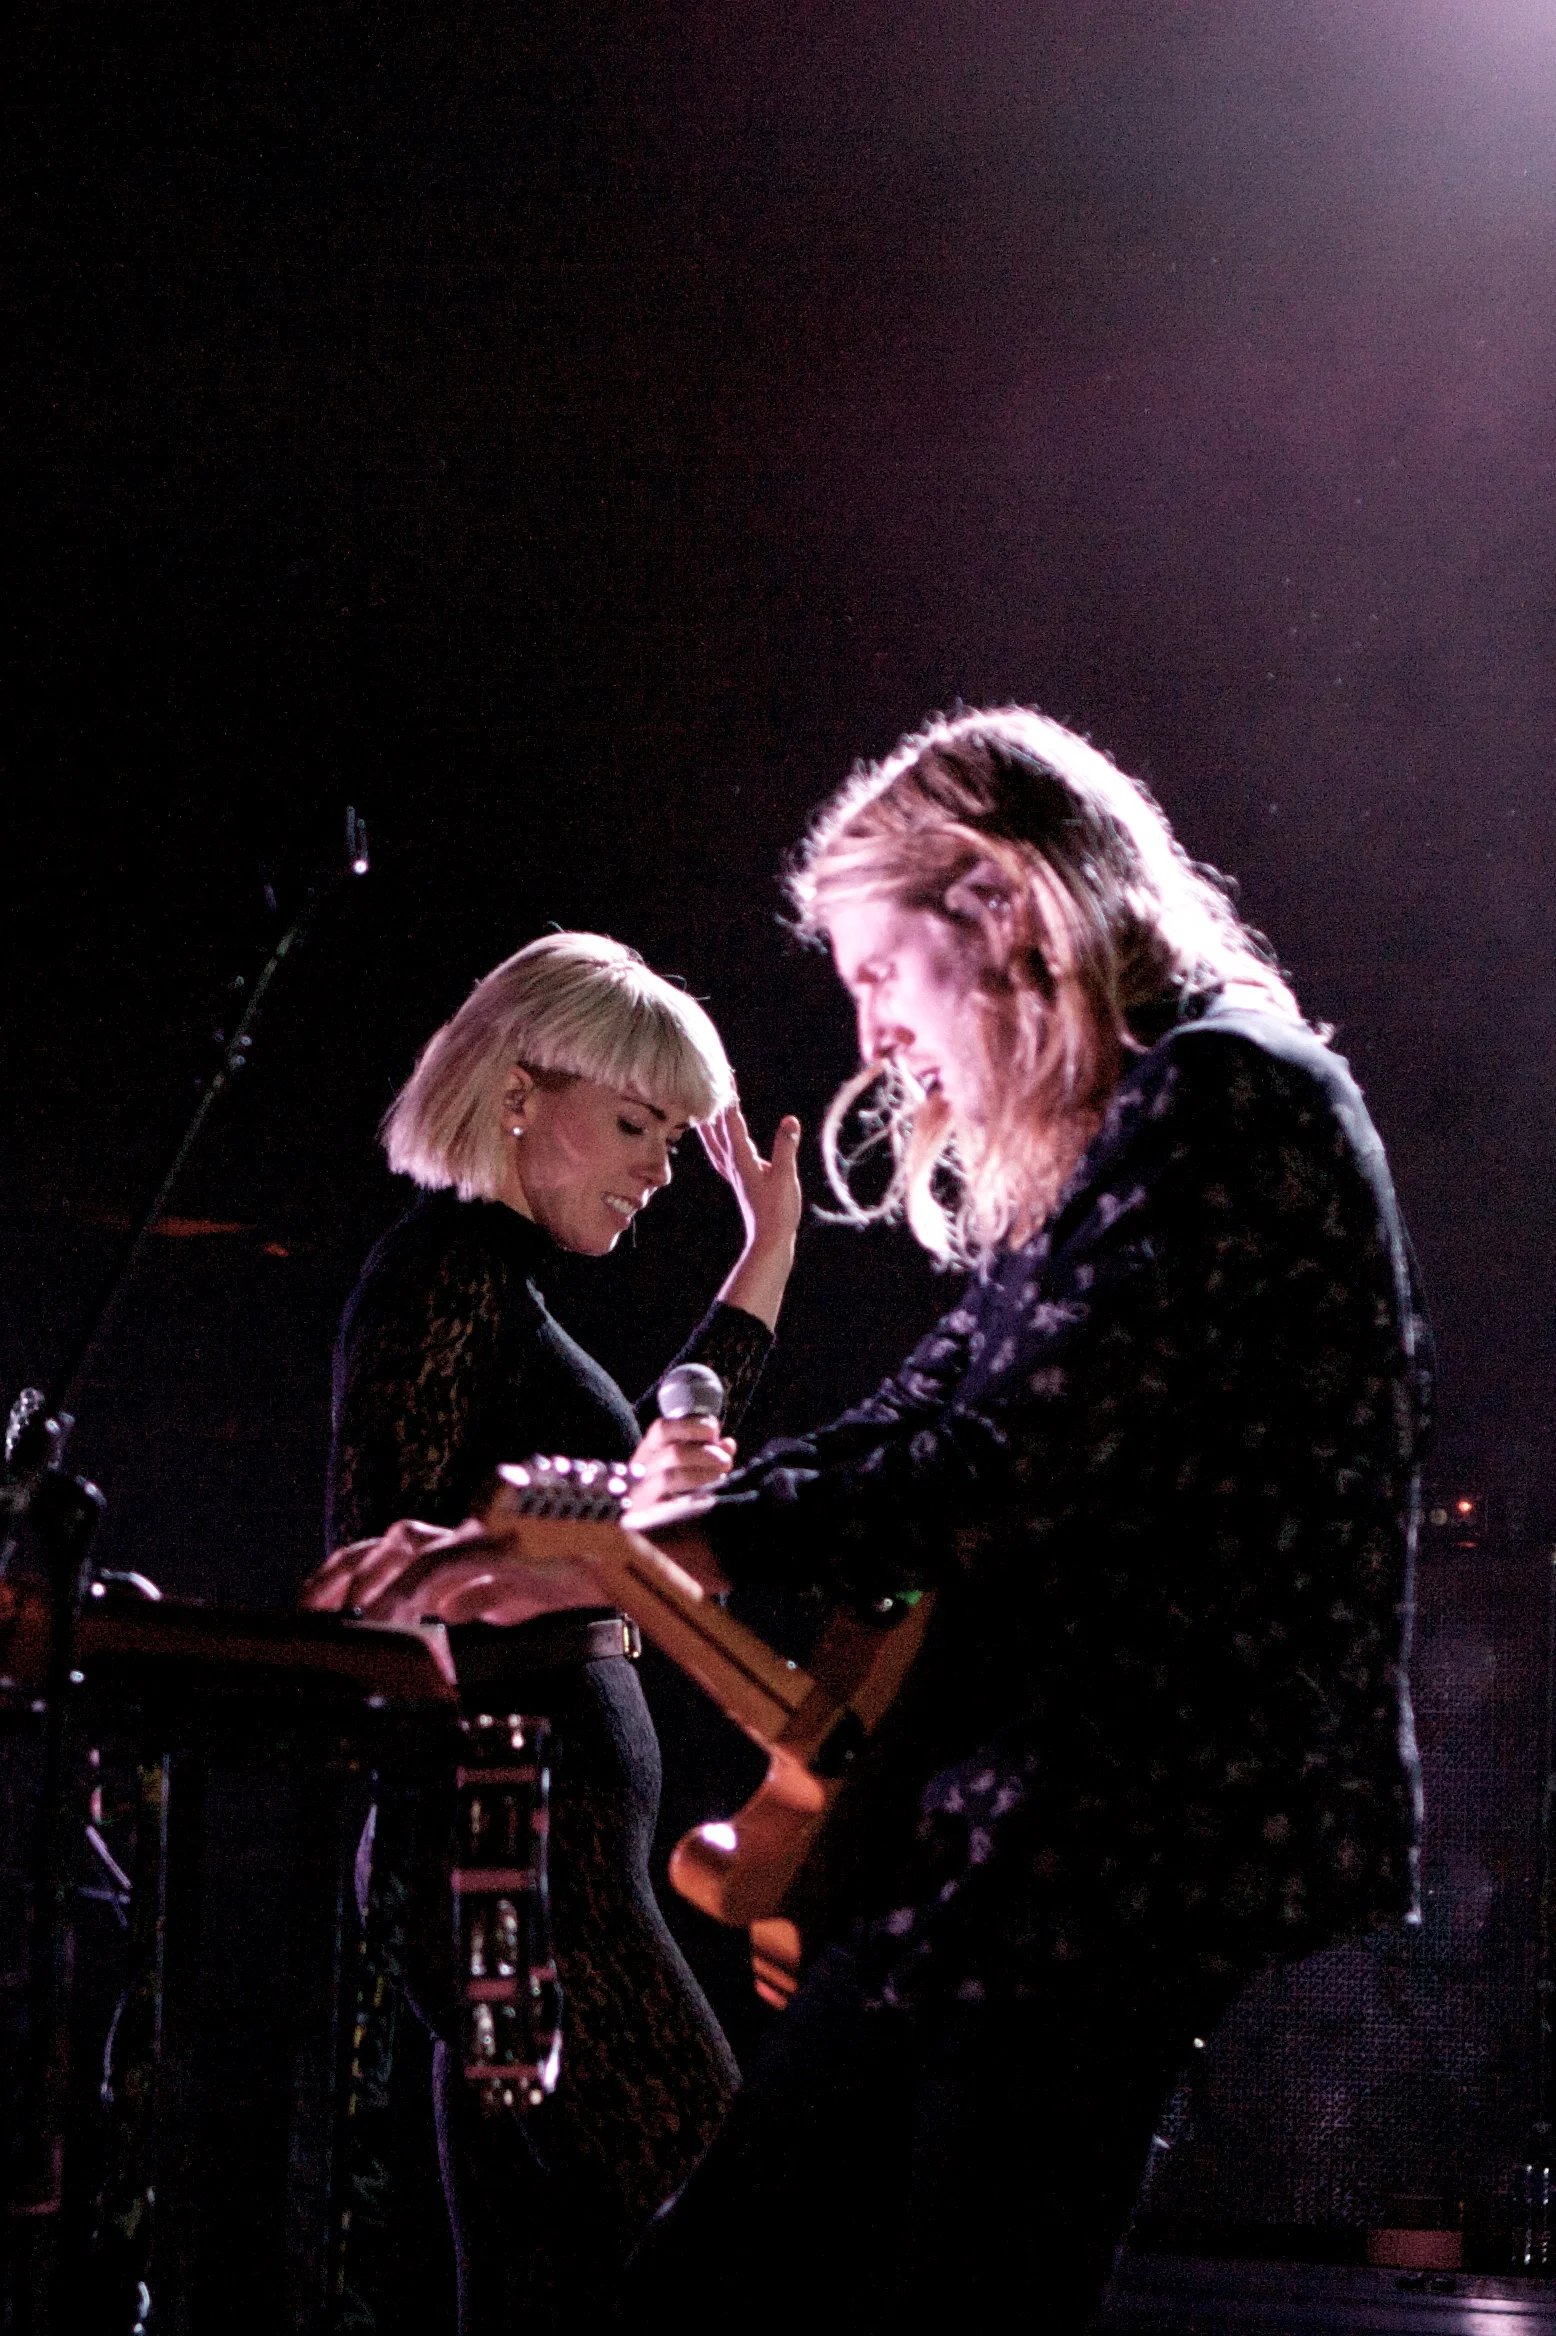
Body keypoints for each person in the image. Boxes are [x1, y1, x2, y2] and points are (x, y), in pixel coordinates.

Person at [338, 711, 1430, 2334]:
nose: (875, 1029)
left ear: (998, 910)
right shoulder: (1138, 1127)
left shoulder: (1228, 1099)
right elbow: (926, 1416)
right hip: (1019, 1843)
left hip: (1115, 1839)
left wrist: (641, 1544)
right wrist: (592, 1531)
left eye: (879, 970)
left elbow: (1000, 1458)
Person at [303, 930, 803, 2334]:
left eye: (671, 1138)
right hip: (505, 1853)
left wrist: (766, 1255)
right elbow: (392, 1570)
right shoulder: (448, 1267)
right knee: (730, 2247)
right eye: (637, 1126)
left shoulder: (491, 1282)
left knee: (548, 2284)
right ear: (520, 1093)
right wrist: (612, 1545)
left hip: (521, 1854)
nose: (660, 1170)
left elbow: (628, 1501)